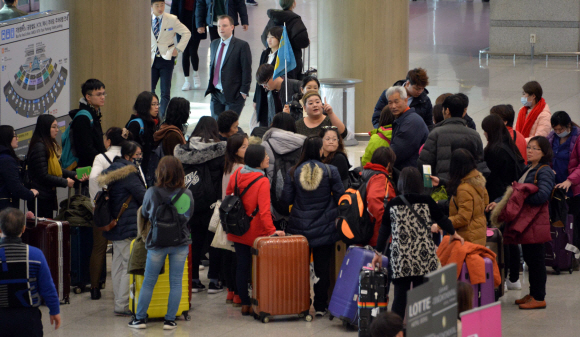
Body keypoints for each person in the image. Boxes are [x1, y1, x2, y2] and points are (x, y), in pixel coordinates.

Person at [372, 167, 463, 319]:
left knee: (400, 300)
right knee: (423, 299)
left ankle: (396, 332)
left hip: (402, 260)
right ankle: (421, 330)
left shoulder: (393, 204)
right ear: (419, 184)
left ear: (401, 183)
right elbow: (443, 220)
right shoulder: (427, 201)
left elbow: (384, 232)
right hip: (424, 259)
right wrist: (454, 234)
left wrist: (378, 253)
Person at [487, 136, 555, 309]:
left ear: (544, 152)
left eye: (535, 148)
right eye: (529, 147)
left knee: (537, 260)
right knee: (531, 260)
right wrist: (501, 201)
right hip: (526, 222)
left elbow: (542, 196)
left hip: (535, 222)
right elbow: (515, 192)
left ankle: (539, 298)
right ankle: (533, 294)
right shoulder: (529, 168)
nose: (530, 150)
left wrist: (520, 199)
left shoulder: (545, 170)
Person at [128, 156, 194, 330]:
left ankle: (140, 319)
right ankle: (170, 320)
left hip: (157, 242)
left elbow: (147, 213)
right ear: (181, 173)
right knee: (176, 282)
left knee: (149, 281)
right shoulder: (186, 194)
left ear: (160, 172)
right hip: (180, 242)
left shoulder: (151, 192)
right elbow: (187, 216)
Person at [282, 136, 345, 316]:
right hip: (325, 228)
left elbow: (286, 199)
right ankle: (320, 306)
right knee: (322, 268)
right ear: (319, 150)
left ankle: (302, 304)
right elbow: (341, 197)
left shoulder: (293, 172)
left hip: (298, 228)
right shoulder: (330, 170)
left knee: (300, 269)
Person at [226, 145, 284, 315]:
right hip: (255, 231)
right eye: (265, 156)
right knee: (259, 267)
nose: (268, 158)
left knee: (242, 265)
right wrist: (273, 231)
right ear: (258, 161)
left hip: (237, 228)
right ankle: (261, 299)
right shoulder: (262, 181)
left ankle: (244, 302)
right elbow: (265, 211)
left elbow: (229, 196)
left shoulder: (236, 174)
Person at [174, 117, 226, 294]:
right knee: (214, 241)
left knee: (194, 241)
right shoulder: (220, 150)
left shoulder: (183, 151)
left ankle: (194, 280)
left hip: (190, 202)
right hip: (213, 204)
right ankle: (214, 280)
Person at [97, 141, 147, 316]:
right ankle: (123, 303)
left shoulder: (112, 170)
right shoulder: (129, 173)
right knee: (128, 265)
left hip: (116, 224)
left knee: (118, 265)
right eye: (137, 155)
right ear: (127, 156)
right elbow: (143, 196)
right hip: (128, 225)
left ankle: (119, 301)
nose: (140, 157)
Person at [0, 208, 61, 336]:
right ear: (23, 229)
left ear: (0, 230)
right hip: (28, 318)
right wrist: (54, 310)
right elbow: (47, 287)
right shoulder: (35, 254)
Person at [481, 114, 524, 291]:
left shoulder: (494, 150)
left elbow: (489, 177)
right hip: (510, 197)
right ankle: (513, 278)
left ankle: (501, 277)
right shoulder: (509, 146)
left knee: (499, 240)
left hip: (497, 200)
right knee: (510, 239)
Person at [87, 127, 128, 300]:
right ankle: (121, 291)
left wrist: (96, 201)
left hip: (104, 210)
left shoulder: (101, 158)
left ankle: (95, 289)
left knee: (99, 248)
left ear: (109, 141)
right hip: (125, 209)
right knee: (121, 250)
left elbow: (93, 177)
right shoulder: (129, 154)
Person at [418, 94, 483, 181]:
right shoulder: (475, 135)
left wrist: (428, 184)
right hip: (467, 185)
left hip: (441, 186)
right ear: (463, 112)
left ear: (447, 110)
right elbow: (480, 162)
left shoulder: (436, 133)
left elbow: (424, 163)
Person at [27, 115, 82, 218]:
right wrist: (65, 182)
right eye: (54, 127)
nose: (57, 130)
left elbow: (56, 170)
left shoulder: (47, 145)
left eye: (57, 127)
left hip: (46, 196)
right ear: (45, 127)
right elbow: (43, 175)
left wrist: (74, 175)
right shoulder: (39, 147)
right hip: (40, 199)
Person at [261, 113, 306, 221]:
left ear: (274, 124)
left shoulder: (266, 144)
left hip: (274, 194)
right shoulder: (303, 143)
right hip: (298, 193)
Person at [205, 15, 252, 117]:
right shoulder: (214, 44)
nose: (221, 29)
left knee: (228, 128)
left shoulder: (242, 46)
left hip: (234, 95)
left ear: (232, 27)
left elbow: (246, 69)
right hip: (216, 93)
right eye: (218, 26)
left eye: (224, 26)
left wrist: (244, 91)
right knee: (216, 127)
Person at [151, 0, 191, 119]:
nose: (160, 8)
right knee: (150, 90)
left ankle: (162, 118)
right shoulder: (145, 19)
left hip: (166, 59)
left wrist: (178, 49)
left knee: (165, 91)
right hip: (151, 59)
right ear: (151, 6)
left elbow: (186, 33)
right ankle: (151, 117)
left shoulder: (171, 19)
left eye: (162, 5)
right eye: (157, 5)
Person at [221, 133, 249, 306]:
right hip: (237, 215)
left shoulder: (227, 166)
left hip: (225, 212)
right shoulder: (241, 169)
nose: (247, 149)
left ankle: (231, 291)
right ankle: (239, 293)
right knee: (239, 257)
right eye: (244, 147)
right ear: (235, 150)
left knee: (228, 254)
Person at [547, 111, 580, 250]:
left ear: (568, 126)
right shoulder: (551, 137)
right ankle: (559, 252)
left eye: (560, 129)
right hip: (556, 188)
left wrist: (570, 181)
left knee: (575, 223)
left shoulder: (577, 138)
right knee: (557, 221)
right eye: (555, 129)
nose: (558, 132)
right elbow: (546, 156)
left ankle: (574, 254)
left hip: (573, 190)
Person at [442, 149, 489, 246]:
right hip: (478, 236)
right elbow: (485, 204)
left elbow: (463, 218)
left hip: (466, 239)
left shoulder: (463, 189)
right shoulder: (478, 181)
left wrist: (442, 223)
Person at [261, 0, 309, 80]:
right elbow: (303, 41)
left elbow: (264, 38)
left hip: (274, 60)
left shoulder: (273, 19)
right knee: (290, 87)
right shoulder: (295, 20)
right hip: (292, 62)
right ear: (293, 4)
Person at [481, 114, 525, 202]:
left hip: (498, 195)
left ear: (491, 131)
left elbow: (491, 176)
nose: (484, 133)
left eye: (485, 130)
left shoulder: (495, 150)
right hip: (510, 190)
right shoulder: (507, 143)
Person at [386, 86, 428, 170]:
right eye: (390, 103)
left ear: (405, 100)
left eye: (396, 102)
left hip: (411, 173)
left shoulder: (411, 122)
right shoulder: (404, 119)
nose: (393, 106)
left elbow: (397, 152)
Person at [69, 79, 107, 174]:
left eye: (104, 94)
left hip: (94, 167)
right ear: (88, 97)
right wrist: (103, 160)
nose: (103, 97)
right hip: (86, 171)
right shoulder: (83, 117)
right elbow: (86, 149)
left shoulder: (94, 113)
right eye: (99, 94)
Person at [363, 147, 397, 247]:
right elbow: (373, 199)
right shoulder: (380, 178)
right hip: (378, 235)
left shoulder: (367, 174)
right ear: (389, 164)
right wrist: (386, 222)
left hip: (370, 230)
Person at [171, 0, 207, 91]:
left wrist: (202, 23)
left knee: (193, 50)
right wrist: (173, 27)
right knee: (185, 52)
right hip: (182, 21)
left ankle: (196, 74)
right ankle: (187, 80)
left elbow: (204, 7)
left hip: (196, 21)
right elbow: (174, 9)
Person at [0, 125, 38, 211]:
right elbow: (15, 187)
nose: (17, 138)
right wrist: (30, 194)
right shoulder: (6, 160)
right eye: (14, 135)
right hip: (5, 209)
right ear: (6, 137)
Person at [126, 91, 160, 185]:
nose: (157, 107)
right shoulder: (136, 124)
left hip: (149, 169)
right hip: (138, 171)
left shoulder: (153, 122)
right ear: (144, 106)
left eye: (157, 104)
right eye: (153, 104)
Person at [253, 26, 282, 126]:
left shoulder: (283, 56)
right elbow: (259, 76)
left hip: (274, 96)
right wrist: (255, 99)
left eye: (272, 37)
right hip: (262, 94)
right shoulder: (265, 54)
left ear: (279, 38)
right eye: (268, 37)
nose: (269, 40)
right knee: (263, 123)